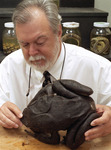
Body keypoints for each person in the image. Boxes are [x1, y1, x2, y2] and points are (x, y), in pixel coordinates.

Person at [0, 0, 111, 142]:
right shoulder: (9, 66)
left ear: (59, 32)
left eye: (40, 42)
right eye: (25, 44)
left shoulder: (98, 67)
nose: (32, 52)